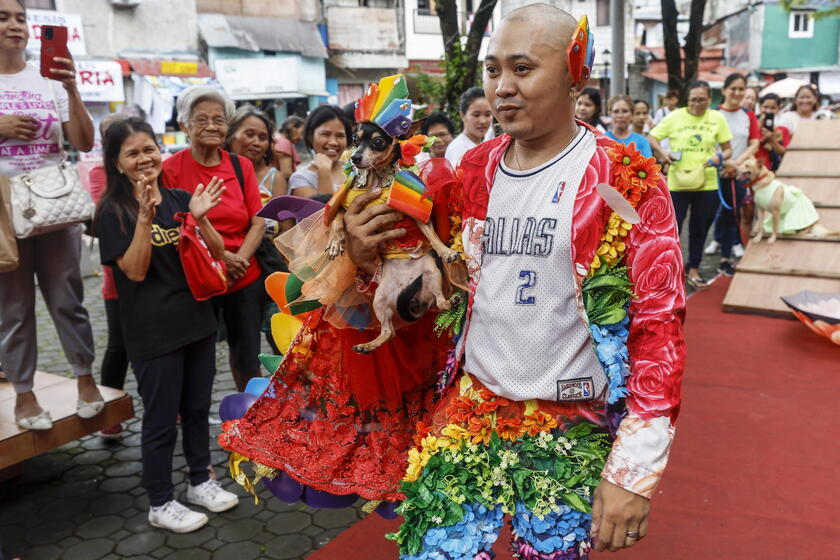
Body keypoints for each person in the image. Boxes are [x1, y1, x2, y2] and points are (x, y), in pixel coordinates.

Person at [358, 6, 685, 557]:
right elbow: (434, 295)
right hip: (468, 414)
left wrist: (633, 471)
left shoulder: (624, 182)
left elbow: (659, 327)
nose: (501, 89)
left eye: (523, 69)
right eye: (492, 70)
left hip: (571, 430)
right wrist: (371, 260)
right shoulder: (469, 173)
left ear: (573, 72)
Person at [95, 116, 239, 533]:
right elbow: (135, 272)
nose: (144, 159)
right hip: (152, 332)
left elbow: (217, 253)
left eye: (149, 148)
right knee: (160, 420)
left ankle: (200, 481)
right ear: (117, 163)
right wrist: (144, 217)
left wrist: (201, 218)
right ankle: (160, 502)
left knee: (196, 410)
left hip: (196, 321)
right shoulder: (113, 211)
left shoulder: (178, 199)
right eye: (133, 153)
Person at [0, 0, 102, 431]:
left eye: (21, 17)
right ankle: (24, 395)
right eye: (3, 17)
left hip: (55, 202)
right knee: (13, 307)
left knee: (68, 298)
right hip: (4, 209)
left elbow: (81, 141)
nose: (15, 25)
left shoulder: (49, 78)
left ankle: (85, 380)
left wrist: (73, 88)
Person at [162, 86, 266, 393]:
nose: (211, 126)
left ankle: (251, 419)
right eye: (201, 119)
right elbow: (176, 227)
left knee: (246, 354)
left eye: (219, 119)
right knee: (195, 352)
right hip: (198, 278)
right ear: (184, 125)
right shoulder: (170, 169)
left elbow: (258, 222)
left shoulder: (240, 165)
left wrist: (240, 260)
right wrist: (220, 259)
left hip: (244, 276)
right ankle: (190, 413)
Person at [649, 81, 732, 289]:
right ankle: (670, 270)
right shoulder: (675, 117)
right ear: (687, 100)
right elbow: (652, 136)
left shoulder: (717, 118)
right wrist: (662, 153)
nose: (697, 103)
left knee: (700, 228)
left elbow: (728, 149)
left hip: (707, 182)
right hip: (679, 183)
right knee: (672, 228)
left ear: (709, 100)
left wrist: (719, 157)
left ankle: (693, 267)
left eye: (702, 99)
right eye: (694, 99)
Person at [89, 113, 131, 439]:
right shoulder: (98, 174)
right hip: (116, 280)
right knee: (118, 347)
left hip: (157, 279)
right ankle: (109, 415)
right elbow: (106, 212)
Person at [709, 73, 760, 276]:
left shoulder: (748, 115)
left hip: (736, 174)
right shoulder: (713, 114)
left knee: (732, 214)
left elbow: (754, 142)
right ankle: (698, 257)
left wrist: (737, 163)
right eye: (733, 88)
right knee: (708, 215)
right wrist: (720, 161)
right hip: (713, 172)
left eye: (741, 89)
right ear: (724, 90)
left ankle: (725, 258)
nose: (737, 93)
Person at [288, 105, 352, 198]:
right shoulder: (301, 178)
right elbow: (322, 211)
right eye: (325, 134)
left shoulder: (355, 171)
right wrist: (324, 172)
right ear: (310, 137)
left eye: (340, 135)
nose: (333, 142)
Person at [445, 87, 493, 165]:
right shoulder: (458, 149)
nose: (483, 121)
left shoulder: (482, 144)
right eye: (476, 115)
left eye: (487, 115)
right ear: (462, 115)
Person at [755, 93, 791, 171]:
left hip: (774, 171)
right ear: (760, 107)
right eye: (765, 107)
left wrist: (772, 141)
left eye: (773, 108)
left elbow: (785, 153)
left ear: (778, 109)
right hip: (755, 170)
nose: (768, 111)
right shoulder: (752, 126)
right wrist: (759, 126)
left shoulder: (782, 129)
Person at [274, 115, 303, 187]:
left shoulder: (275, 138)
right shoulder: (284, 142)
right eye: (302, 132)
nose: (301, 137)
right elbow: (286, 174)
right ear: (292, 127)